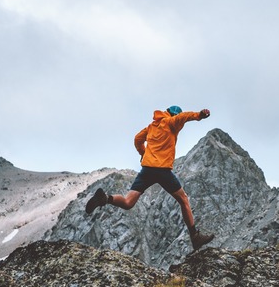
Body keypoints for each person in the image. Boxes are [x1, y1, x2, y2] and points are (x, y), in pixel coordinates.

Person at [85, 105, 215, 250]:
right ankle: (195, 237)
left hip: (147, 169)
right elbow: (183, 117)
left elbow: (137, 139)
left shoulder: (152, 126)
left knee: (128, 202)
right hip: (162, 170)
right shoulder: (171, 122)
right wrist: (200, 115)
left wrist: (144, 153)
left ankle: (106, 199)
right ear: (173, 115)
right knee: (183, 199)